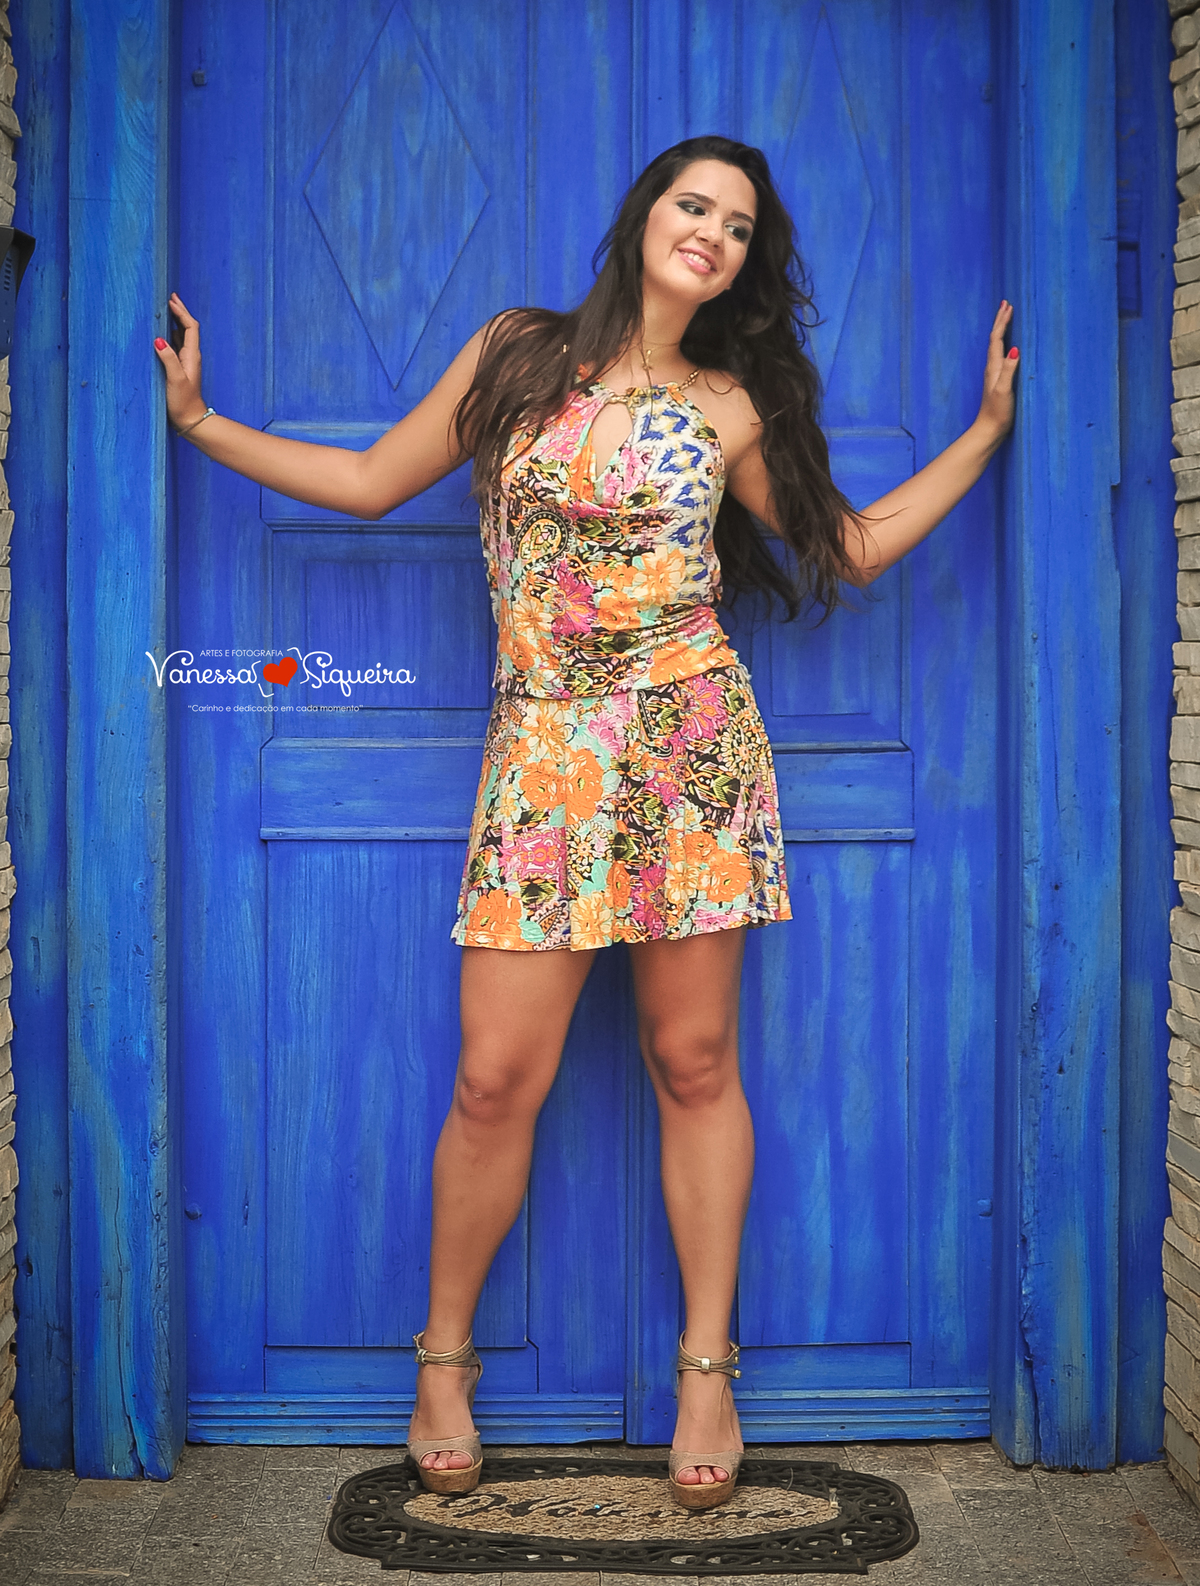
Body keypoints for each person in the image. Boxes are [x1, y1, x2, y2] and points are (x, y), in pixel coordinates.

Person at [154, 134, 1018, 1510]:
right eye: (694, 204)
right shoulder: (516, 353)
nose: (713, 232)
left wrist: (980, 435)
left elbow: (847, 549)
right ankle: (443, 1361)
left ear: (742, 265)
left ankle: (706, 1372)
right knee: (494, 1079)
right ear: (643, 216)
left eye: (739, 226)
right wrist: (202, 424)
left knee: (696, 1062)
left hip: (690, 753)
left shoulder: (731, 408)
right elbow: (371, 482)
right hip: (543, 757)